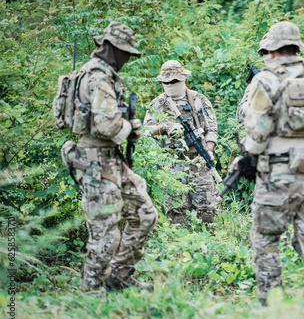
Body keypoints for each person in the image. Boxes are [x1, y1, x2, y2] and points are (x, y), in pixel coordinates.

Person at [242, 21, 304, 305]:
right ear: (297, 47)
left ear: (272, 50)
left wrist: (249, 154)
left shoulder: (266, 80)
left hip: (276, 172)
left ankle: (272, 306)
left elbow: (257, 131)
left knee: (266, 240)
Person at [60, 22, 158, 296]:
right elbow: (108, 127)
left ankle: (120, 276)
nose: (127, 58)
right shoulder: (98, 78)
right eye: (125, 53)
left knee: (144, 213)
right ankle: (91, 292)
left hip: (111, 159)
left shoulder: (105, 75)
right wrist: (132, 128)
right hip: (94, 160)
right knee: (105, 231)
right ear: (113, 50)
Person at [144, 60, 221, 224]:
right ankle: (180, 249)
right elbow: (146, 132)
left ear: (183, 79)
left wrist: (209, 149)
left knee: (207, 212)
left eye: (175, 81)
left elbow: (211, 129)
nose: (171, 84)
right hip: (172, 164)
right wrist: (165, 126)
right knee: (177, 214)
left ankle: (210, 248)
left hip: (199, 161)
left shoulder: (199, 100)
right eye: (167, 82)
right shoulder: (157, 103)